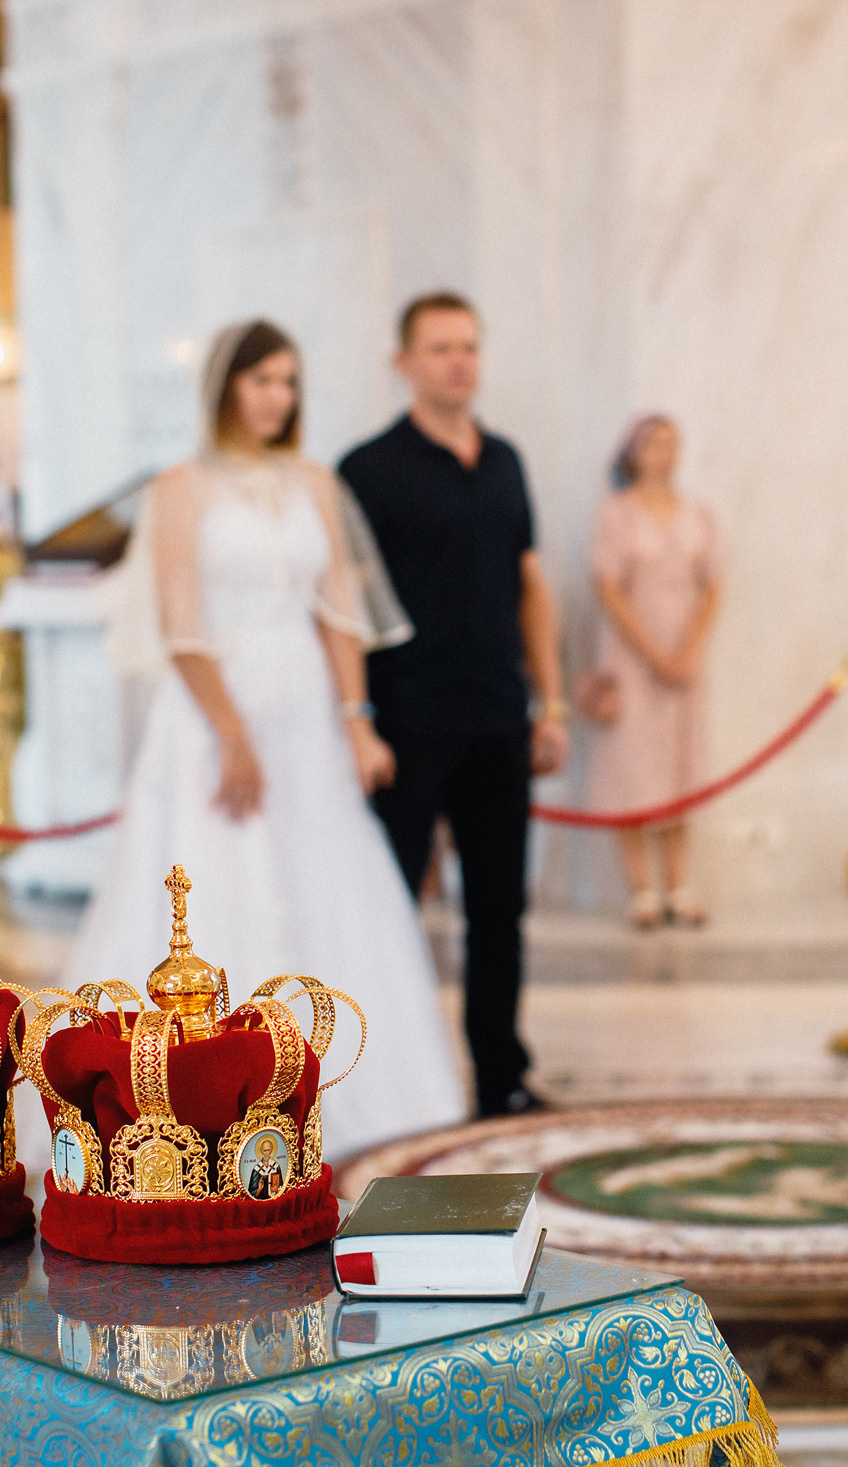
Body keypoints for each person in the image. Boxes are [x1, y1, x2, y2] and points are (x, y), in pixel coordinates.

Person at [58, 318, 465, 1161]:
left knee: (329, 876)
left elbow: (340, 612)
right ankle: (214, 1100)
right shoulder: (180, 486)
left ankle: (344, 1089)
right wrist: (233, 736)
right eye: (262, 381)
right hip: (215, 710)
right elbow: (180, 625)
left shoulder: (316, 482)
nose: (278, 397)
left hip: (308, 710)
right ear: (226, 387)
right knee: (217, 880)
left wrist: (358, 721)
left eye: (288, 381)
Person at [338, 293, 568, 1120]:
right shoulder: (366, 468)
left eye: (469, 345)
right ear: (404, 363)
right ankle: (382, 1085)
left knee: (499, 910)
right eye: (439, 348)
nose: (458, 361)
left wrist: (553, 701)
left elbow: (531, 586)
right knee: (389, 907)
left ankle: (501, 1074)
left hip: (499, 718)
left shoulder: (504, 459)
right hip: (407, 723)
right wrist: (357, 718)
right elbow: (344, 605)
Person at [585, 415, 721, 928]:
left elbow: (711, 585)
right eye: (654, 443)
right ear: (633, 453)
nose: (664, 453)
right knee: (633, 769)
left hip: (684, 659)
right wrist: (653, 653)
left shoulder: (698, 515)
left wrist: (686, 649)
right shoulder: (617, 515)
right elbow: (609, 588)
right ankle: (641, 890)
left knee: (679, 768)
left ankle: (679, 886)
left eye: (672, 443)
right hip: (633, 658)